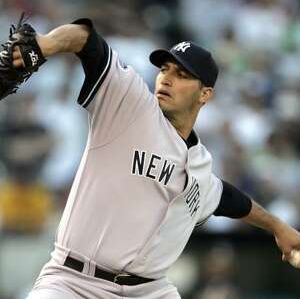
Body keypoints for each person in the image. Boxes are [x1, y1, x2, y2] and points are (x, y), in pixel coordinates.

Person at [9, 18, 300, 299]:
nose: (167, 79)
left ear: (205, 94)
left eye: (182, 75)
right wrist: (45, 44)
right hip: (73, 282)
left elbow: (228, 199)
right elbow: (86, 39)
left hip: (148, 291)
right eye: (165, 69)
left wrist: (278, 226)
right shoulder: (131, 105)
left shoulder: (199, 162)